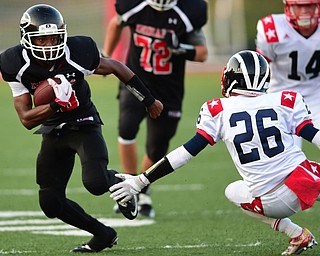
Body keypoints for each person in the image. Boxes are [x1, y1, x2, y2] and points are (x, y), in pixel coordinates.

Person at [109, 50, 320, 255]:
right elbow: (314, 136)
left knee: (232, 191)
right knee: (308, 172)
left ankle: (296, 233)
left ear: (230, 79)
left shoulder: (218, 109)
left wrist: (140, 182)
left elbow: (185, 153)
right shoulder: (286, 100)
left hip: (269, 202)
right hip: (301, 181)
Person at [0, 4, 163, 253]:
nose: (48, 45)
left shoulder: (77, 51)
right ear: (27, 39)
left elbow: (118, 68)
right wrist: (56, 106)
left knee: (96, 183)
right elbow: (26, 118)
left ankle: (120, 180)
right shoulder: (14, 63)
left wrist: (148, 100)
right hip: (53, 128)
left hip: (83, 123)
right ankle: (103, 234)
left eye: (53, 38)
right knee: (50, 203)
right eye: (41, 39)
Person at [103, 0, 208, 217]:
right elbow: (115, 24)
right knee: (126, 130)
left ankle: (143, 188)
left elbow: (202, 53)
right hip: (135, 82)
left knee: (157, 147)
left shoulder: (189, 11)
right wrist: (107, 56)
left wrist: (180, 48)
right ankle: (128, 188)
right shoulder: (135, 5)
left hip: (168, 90)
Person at [256, 0, 320, 148]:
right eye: (299, 6)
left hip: (316, 96)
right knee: (286, 156)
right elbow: (259, 68)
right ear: (289, 7)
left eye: (308, 5)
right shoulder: (273, 29)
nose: (304, 11)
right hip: (281, 98)